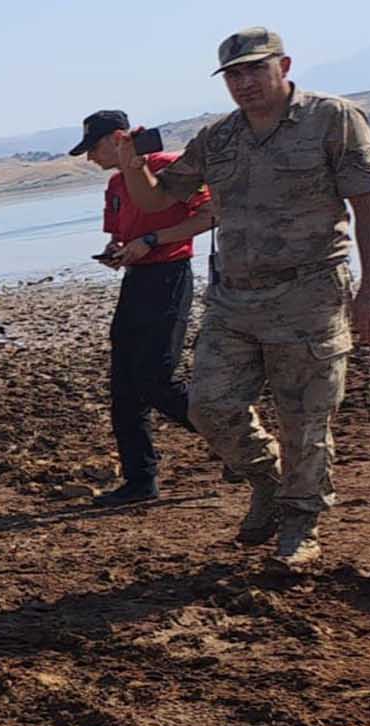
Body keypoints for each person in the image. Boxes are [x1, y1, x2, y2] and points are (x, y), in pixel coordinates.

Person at [115, 27, 370, 568]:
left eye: (254, 70)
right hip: (235, 300)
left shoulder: (332, 119)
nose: (243, 83)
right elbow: (156, 201)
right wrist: (131, 163)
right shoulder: (218, 138)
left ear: (283, 66)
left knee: (304, 420)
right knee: (210, 405)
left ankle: (300, 524)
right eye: (233, 75)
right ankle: (266, 482)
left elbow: (368, 205)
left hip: (310, 294)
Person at [71, 109, 217, 507]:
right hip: (137, 282)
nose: (90, 158)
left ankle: (234, 442)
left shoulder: (169, 168)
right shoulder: (117, 185)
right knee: (124, 388)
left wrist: (154, 239)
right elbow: (122, 236)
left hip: (169, 277)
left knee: (157, 380)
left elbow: (209, 215)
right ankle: (140, 480)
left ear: (118, 139)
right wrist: (117, 252)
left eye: (94, 147)